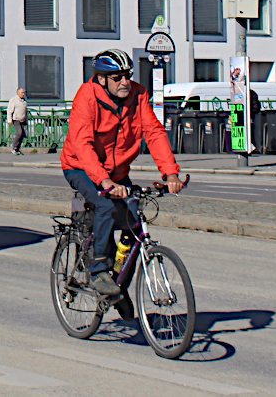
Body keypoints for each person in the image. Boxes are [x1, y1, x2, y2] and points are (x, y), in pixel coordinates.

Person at [61, 49, 187, 300]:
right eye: (117, 77)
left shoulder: (138, 95)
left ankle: (119, 288)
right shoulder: (87, 97)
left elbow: (154, 132)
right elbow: (81, 144)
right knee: (106, 205)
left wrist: (170, 174)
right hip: (81, 167)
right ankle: (98, 271)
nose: (124, 82)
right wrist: (104, 180)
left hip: (118, 172)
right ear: (101, 79)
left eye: (127, 76)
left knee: (134, 219)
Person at [9, 87, 29, 155]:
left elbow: (25, 111)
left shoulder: (24, 101)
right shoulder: (14, 100)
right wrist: (9, 119)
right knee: (19, 133)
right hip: (16, 119)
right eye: (22, 93)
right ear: (18, 93)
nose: (23, 94)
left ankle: (17, 148)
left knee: (22, 134)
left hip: (22, 119)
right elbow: (9, 110)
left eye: (24, 92)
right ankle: (14, 147)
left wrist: (26, 119)